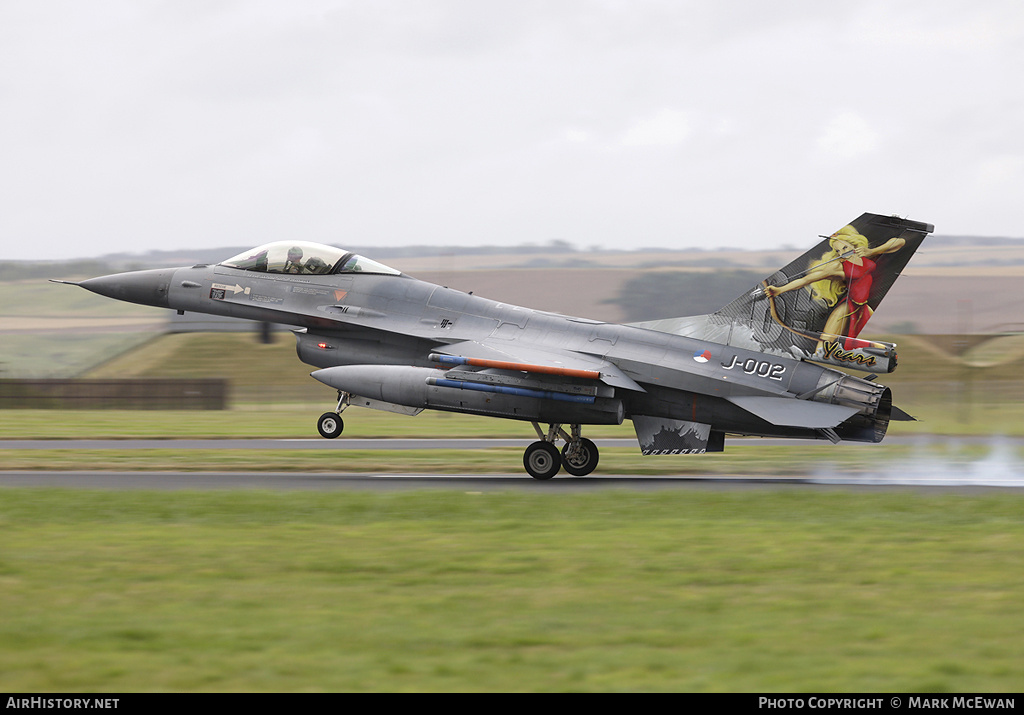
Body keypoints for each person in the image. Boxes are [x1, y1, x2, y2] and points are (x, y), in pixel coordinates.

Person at [764, 226, 905, 350]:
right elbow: (807, 279)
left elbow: (900, 242)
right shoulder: (838, 267)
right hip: (847, 307)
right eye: (838, 251)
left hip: (863, 307)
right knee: (824, 346)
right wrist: (779, 290)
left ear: (853, 245)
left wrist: (872, 251)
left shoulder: (866, 255)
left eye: (845, 248)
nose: (842, 253)